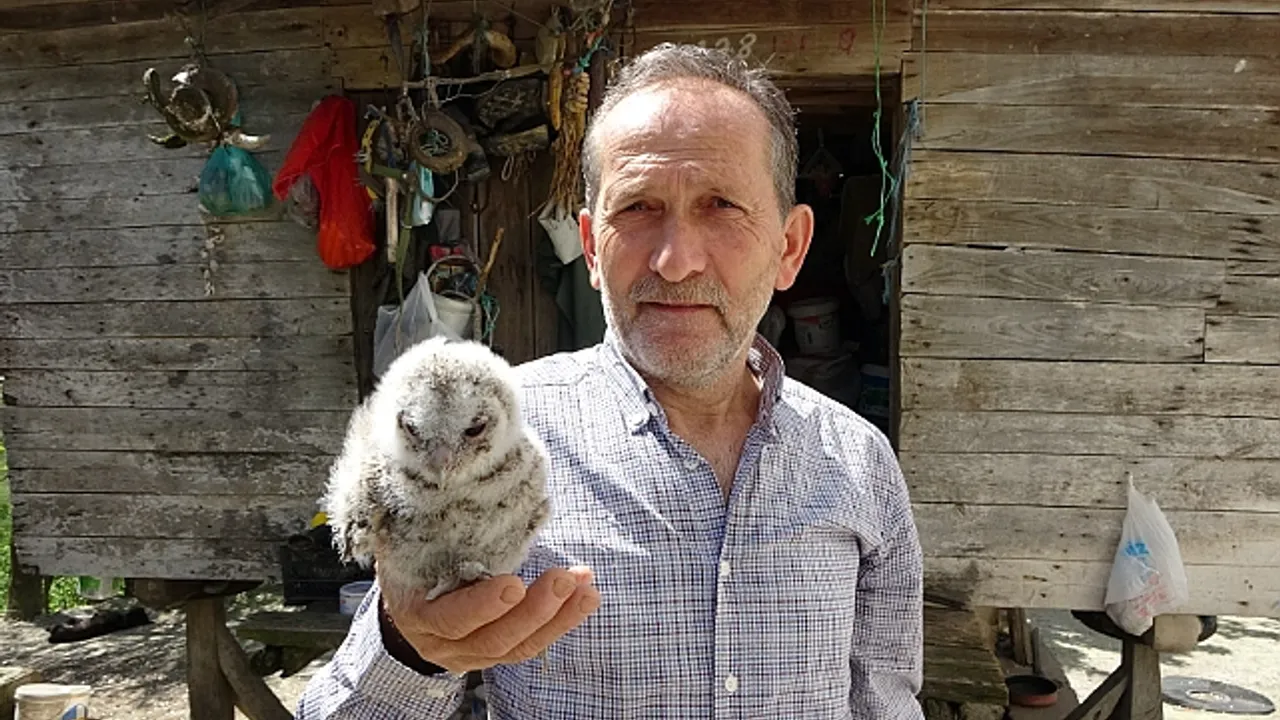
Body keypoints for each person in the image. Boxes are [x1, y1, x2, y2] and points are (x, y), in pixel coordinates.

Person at [297, 42, 924, 719]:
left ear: (789, 247)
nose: (676, 261)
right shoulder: (484, 440)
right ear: (593, 248)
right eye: (638, 208)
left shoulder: (860, 462)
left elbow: (886, 704)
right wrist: (410, 649)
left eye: (720, 205)